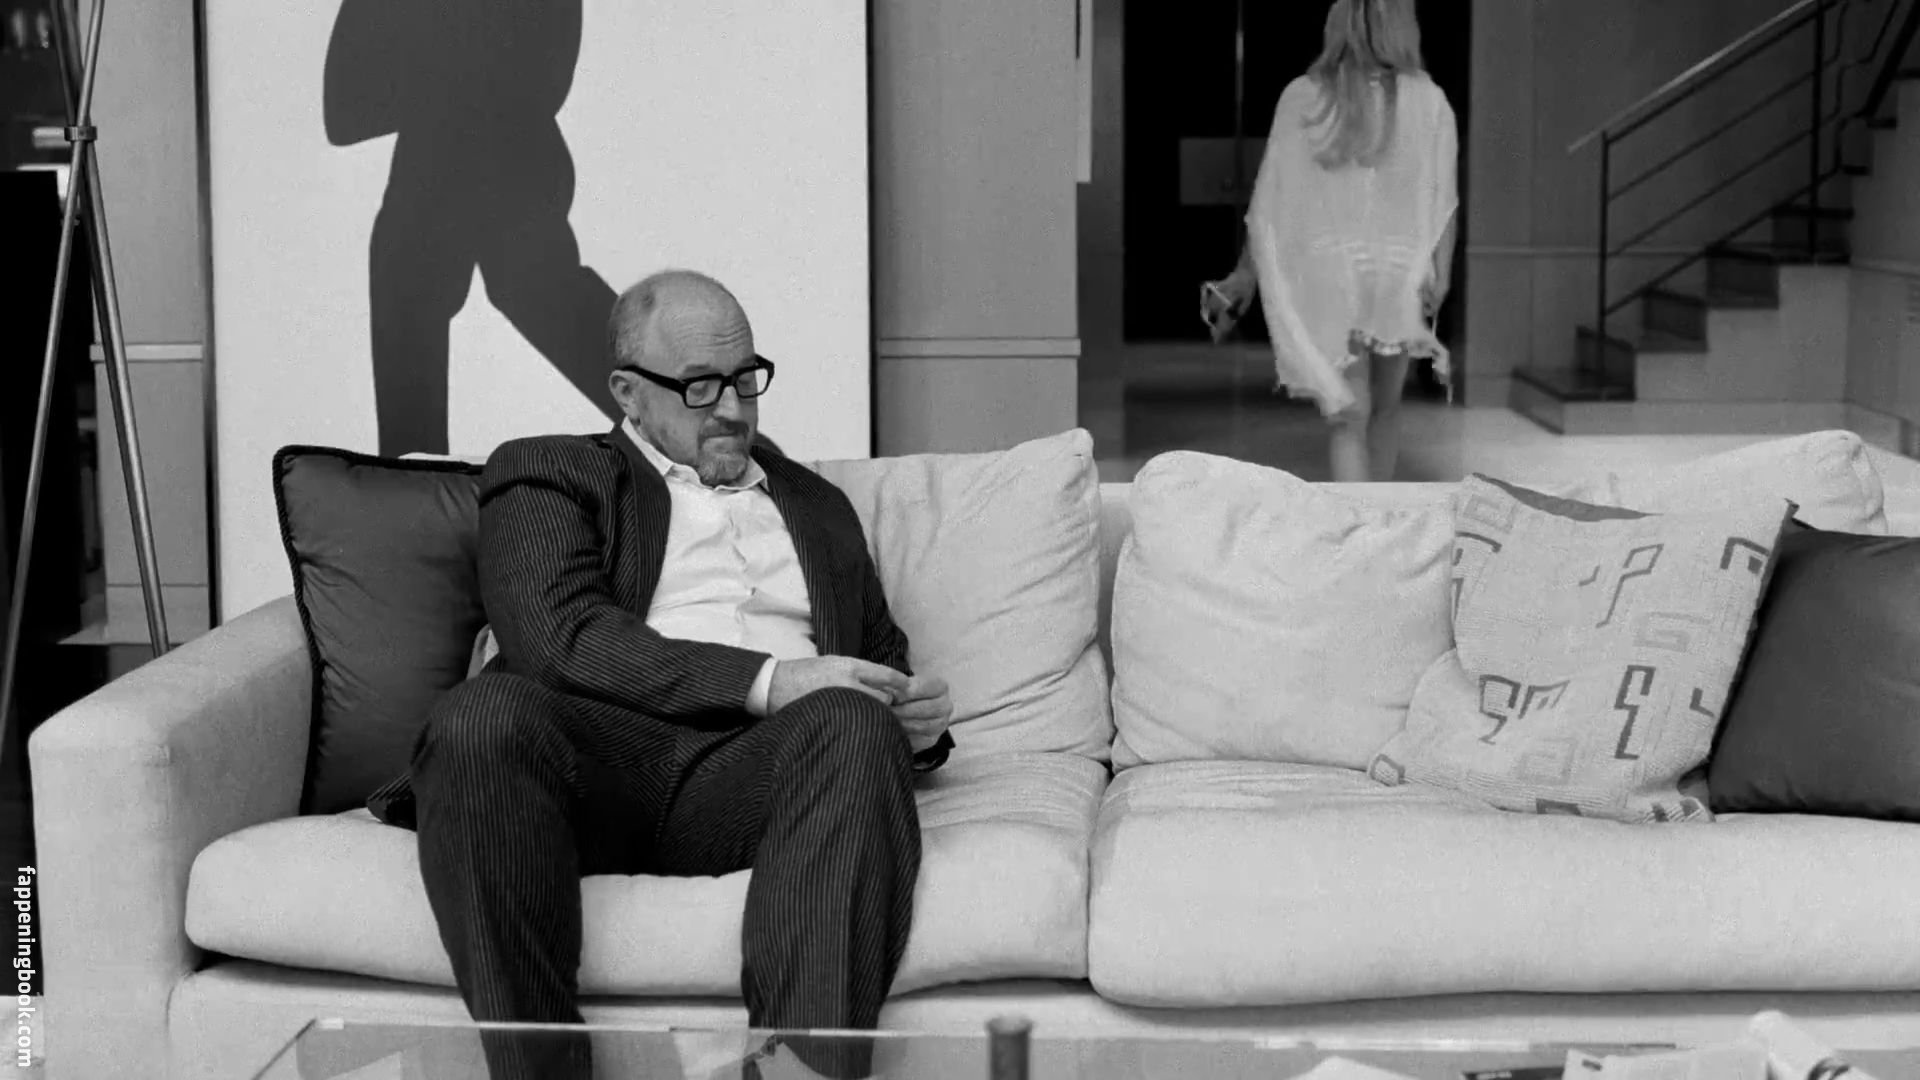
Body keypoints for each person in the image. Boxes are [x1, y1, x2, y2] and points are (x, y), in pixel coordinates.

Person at [363, 269, 957, 1080]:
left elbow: (877, 660)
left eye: (745, 379)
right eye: (700, 385)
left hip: (756, 773)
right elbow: (558, 640)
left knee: (854, 724)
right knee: (481, 717)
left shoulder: (817, 506)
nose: (732, 408)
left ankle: (795, 1074)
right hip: (595, 764)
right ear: (628, 393)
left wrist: (914, 721)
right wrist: (772, 679)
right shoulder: (549, 470)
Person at [1202, 0, 1459, 483]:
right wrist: (1441, 273)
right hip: (1398, 272)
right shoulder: (1428, 100)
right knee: (1386, 408)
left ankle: (1356, 520)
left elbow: (1271, 203)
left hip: (1330, 270)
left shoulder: (1304, 96)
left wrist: (1246, 273)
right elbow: (1442, 199)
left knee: (1348, 416)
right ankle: (1376, 514)